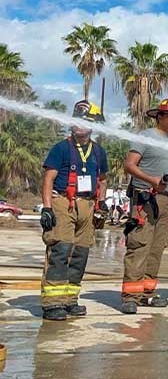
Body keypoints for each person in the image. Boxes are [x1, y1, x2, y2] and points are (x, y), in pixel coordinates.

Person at [39, 100, 108, 321]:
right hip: (63, 202)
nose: (78, 124)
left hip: (87, 205)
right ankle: (52, 303)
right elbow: (48, 179)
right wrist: (47, 208)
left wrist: (101, 203)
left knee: (80, 253)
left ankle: (70, 300)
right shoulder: (61, 148)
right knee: (60, 250)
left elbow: (103, 180)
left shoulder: (98, 152)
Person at [119, 98, 168, 314]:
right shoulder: (145, 136)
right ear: (159, 116)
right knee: (139, 245)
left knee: (157, 247)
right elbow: (129, 165)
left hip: (165, 201)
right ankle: (131, 296)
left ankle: (147, 293)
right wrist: (151, 180)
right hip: (144, 198)